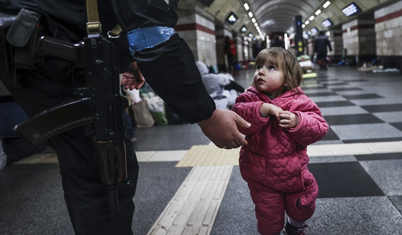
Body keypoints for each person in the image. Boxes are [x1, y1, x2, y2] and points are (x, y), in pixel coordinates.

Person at [0, 1, 250, 235]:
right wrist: (207, 116)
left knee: (93, 160)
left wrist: (124, 58)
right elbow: (153, 36)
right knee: (103, 165)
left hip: (39, 34)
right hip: (40, 41)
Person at [232, 47, 329, 235]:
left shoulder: (300, 102)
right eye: (259, 66)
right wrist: (263, 109)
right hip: (260, 172)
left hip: (294, 172)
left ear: (289, 76)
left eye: (271, 68)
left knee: (302, 205)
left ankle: (296, 226)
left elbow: (320, 127)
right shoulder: (248, 98)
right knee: (268, 214)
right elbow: (239, 119)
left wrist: (298, 121)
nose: (261, 71)